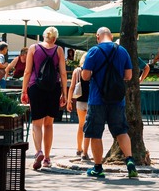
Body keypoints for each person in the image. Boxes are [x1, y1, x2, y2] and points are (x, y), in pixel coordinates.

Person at [80, 26, 137, 179]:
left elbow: (85, 76)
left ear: (97, 37)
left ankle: (98, 168)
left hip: (97, 99)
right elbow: (128, 75)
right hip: (117, 100)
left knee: (95, 133)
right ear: (111, 36)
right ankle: (130, 160)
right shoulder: (122, 51)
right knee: (121, 130)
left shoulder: (93, 51)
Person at [20, 27, 67, 171]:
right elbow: (63, 73)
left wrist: (24, 90)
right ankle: (47, 158)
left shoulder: (33, 48)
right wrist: (64, 93)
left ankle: (38, 151)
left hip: (36, 87)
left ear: (44, 36)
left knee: (37, 123)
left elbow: (27, 71)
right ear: (54, 38)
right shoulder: (58, 50)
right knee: (49, 124)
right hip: (53, 88)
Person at [68, 64, 91, 162]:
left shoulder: (77, 71)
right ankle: (85, 151)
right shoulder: (93, 70)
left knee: (81, 125)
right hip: (91, 101)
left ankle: (79, 148)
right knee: (89, 126)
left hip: (80, 101)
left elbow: (72, 87)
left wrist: (69, 101)